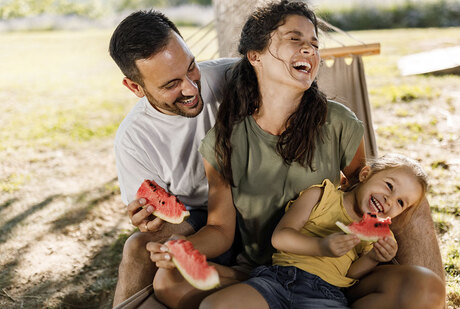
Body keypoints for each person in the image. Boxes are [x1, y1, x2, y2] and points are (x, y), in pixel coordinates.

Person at [149, 1, 445, 309]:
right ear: (256, 56)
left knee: (426, 289)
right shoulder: (224, 141)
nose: (308, 49)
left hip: (336, 273)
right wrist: (181, 247)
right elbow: (221, 230)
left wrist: (375, 250)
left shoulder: (339, 122)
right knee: (167, 281)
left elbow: (361, 192)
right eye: (295, 39)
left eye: (314, 44)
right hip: (260, 274)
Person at [108, 10, 237, 306]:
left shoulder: (234, 75)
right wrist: (151, 222)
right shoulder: (133, 140)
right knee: (138, 245)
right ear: (135, 88)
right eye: (170, 85)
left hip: (261, 203)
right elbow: (157, 219)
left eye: (191, 67)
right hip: (200, 222)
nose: (192, 88)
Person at [201, 153, 441, 308]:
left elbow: (352, 272)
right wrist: (321, 246)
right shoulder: (321, 195)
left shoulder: (379, 234)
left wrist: (373, 258)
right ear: (366, 174)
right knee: (214, 306)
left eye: (401, 203)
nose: (390, 200)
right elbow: (280, 237)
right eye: (389, 186)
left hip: (327, 295)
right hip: (279, 280)